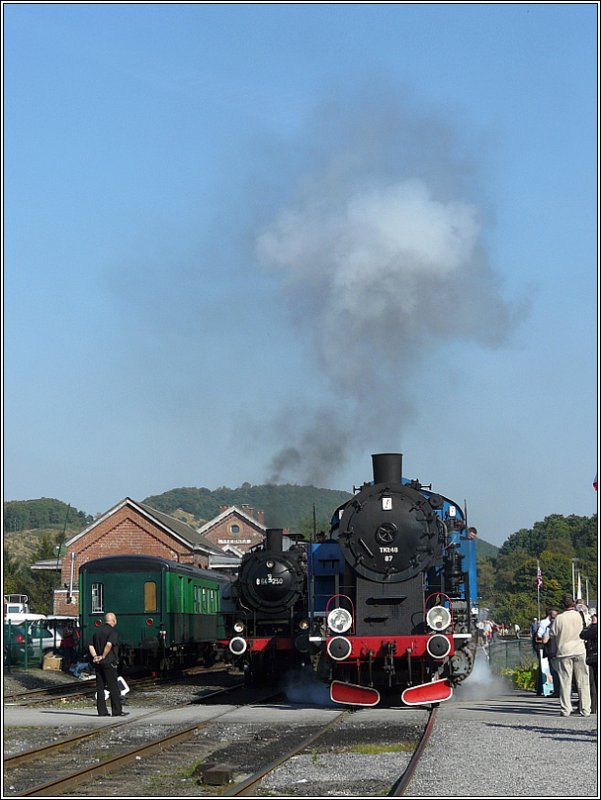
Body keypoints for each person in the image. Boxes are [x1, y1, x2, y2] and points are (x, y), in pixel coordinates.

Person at [550, 596, 591, 717]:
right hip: (579, 649)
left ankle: (566, 709)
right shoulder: (580, 616)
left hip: (564, 651)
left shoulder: (559, 618)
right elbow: (587, 626)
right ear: (573, 604)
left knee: (565, 682)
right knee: (583, 681)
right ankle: (585, 709)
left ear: (563, 606)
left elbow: (552, 634)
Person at [88, 612, 127, 717]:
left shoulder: (97, 632)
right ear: (114, 621)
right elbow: (109, 645)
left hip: (98, 664)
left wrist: (95, 656)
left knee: (100, 687)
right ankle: (117, 711)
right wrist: (103, 656)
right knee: (113, 686)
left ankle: (102, 711)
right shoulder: (113, 632)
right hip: (109, 662)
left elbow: (90, 645)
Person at [580, 612, 597, 714]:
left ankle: (594, 706)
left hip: (594, 657)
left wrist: (594, 624)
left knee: (593, 682)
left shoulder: (594, 628)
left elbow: (583, 634)